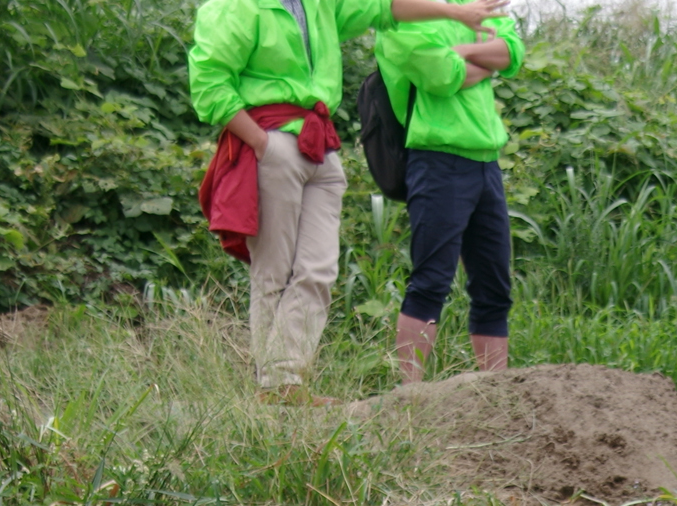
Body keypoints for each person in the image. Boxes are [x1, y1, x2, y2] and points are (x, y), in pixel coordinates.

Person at [188, 0, 505, 400]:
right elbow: (209, 84)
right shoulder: (233, 7)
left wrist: (456, 12)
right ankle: (275, 386)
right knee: (274, 269)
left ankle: (286, 381)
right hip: (273, 141)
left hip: (320, 146)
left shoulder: (321, 3)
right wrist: (262, 144)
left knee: (318, 269)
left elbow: (385, 7)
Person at [377, 4, 523, 381]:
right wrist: (485, 62)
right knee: (431, 281)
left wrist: (466, 53)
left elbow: (513, 52)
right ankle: (408, 393)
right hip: (437, 159)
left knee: (494, 285)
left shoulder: (473, 7)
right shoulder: (400, 17)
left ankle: (497, 390)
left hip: (487, 160)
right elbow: (441, 75)